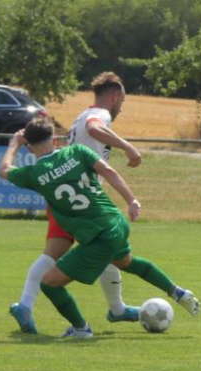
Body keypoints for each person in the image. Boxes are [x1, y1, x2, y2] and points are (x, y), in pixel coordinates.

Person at [0, 118, 200, 339]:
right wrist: (132, 201)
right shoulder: (77, 151)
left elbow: (4, 169)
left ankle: (81, 328)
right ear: (55, 139)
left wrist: (13, 144)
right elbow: (108, 171)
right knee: (126, 262)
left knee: (49, 283)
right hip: (115, 221)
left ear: (29, 146)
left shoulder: (34, 174)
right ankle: (177, 292)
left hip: (97, 235)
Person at [9, 72, 143, 334]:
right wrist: (128, 147)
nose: (122, 106)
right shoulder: (100, 116)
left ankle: (117, 309)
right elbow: (95, 128)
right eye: (122, 100)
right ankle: (29, 305)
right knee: (59, 254)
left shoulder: (83, 113)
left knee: (100, 252)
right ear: (115, 96)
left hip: (69, 196)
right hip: (78, 203)